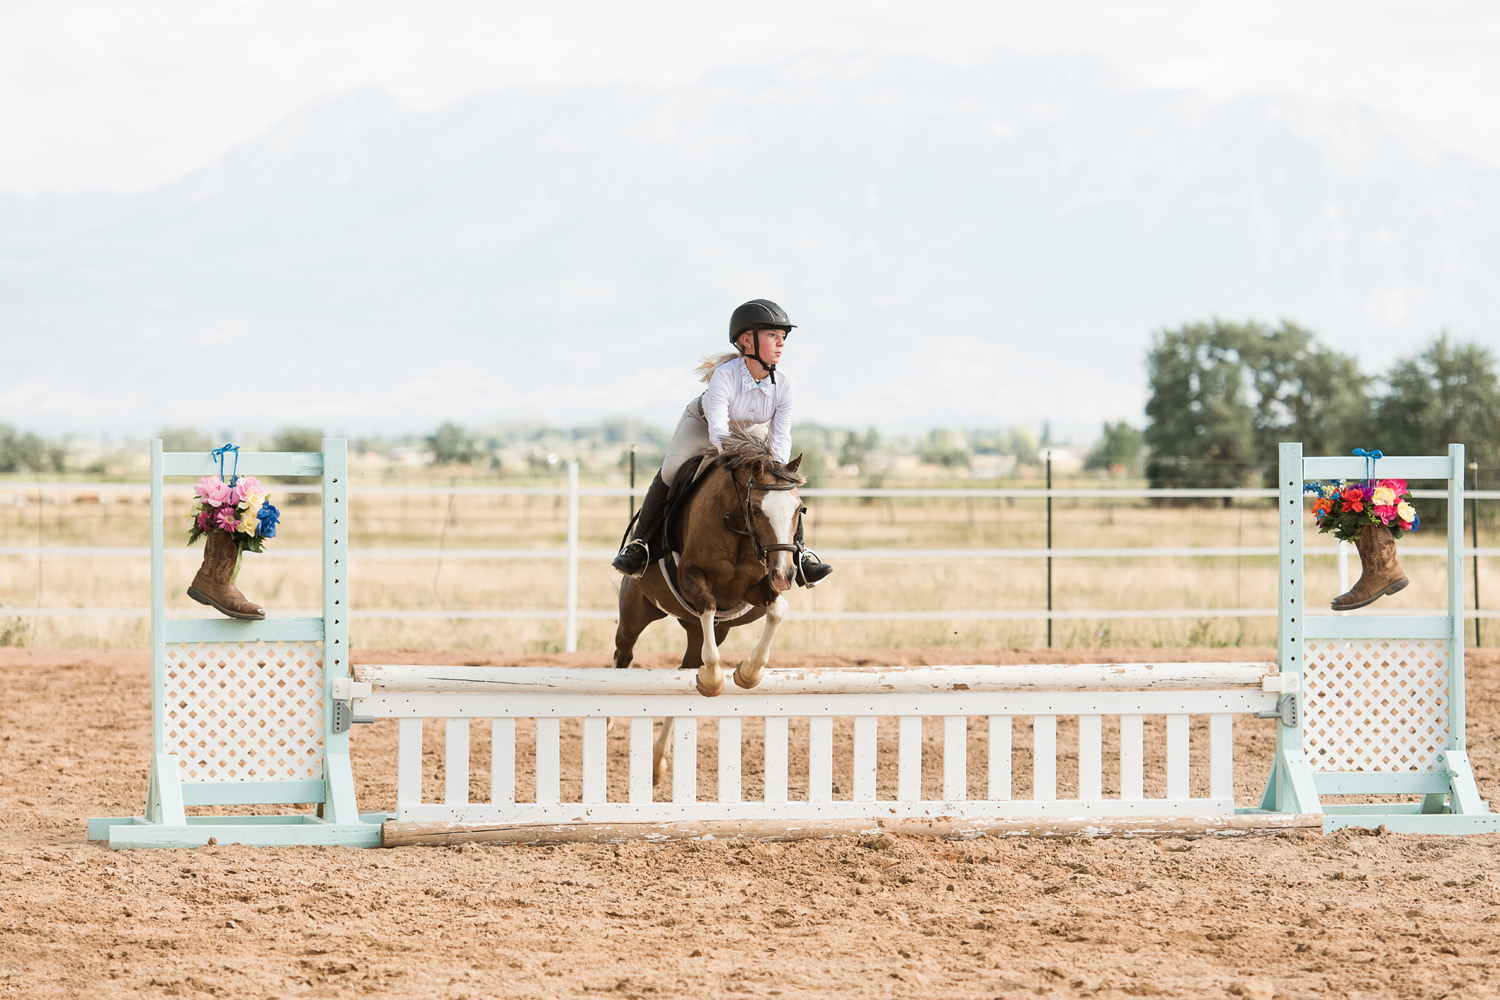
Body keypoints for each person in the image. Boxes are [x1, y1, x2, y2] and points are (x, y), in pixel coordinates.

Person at [611, 298, 833, 586]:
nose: (780, 344)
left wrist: (777, 473)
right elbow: (718, 430)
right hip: (703, 425)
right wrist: (734, 457)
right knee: (670, 471)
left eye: (782, 337)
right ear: (747, 341)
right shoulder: (725, 375)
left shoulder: (786, 384)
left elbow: (781, 436)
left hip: (750, 431)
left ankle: (801, 555)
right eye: (772, 336)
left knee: (782, 485)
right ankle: (639, 546)